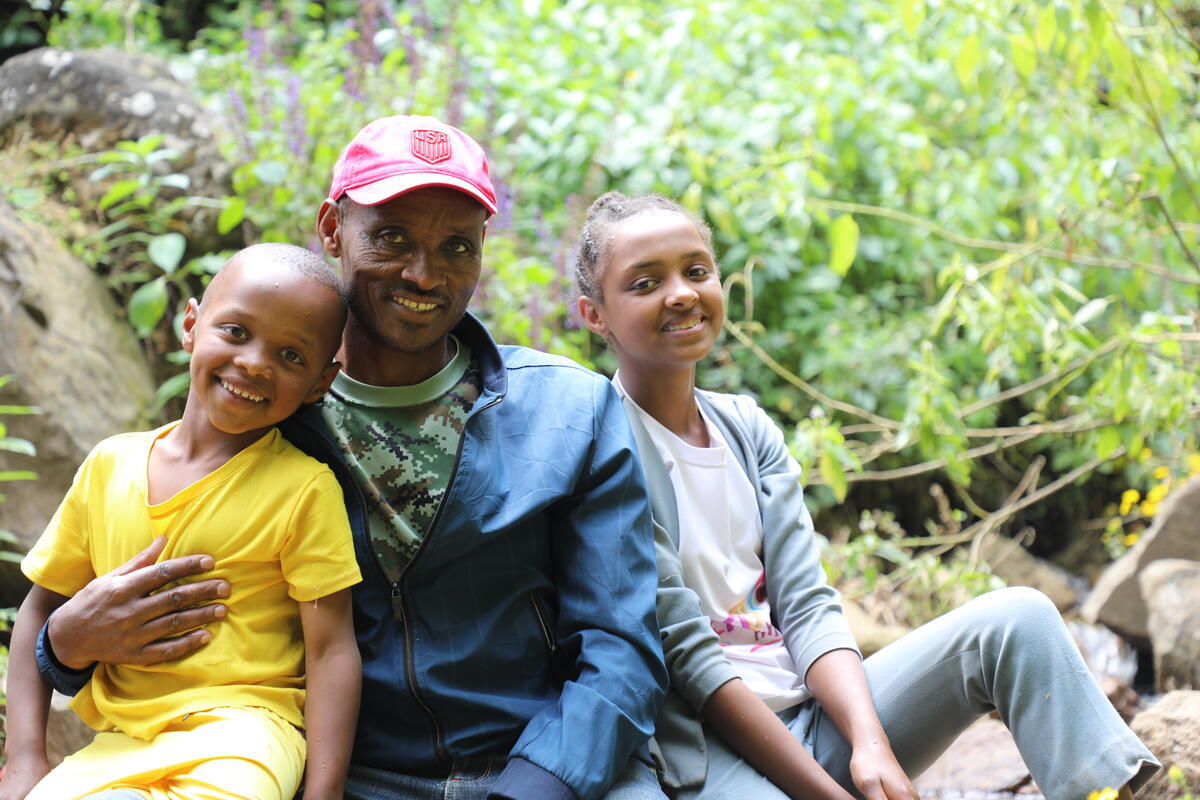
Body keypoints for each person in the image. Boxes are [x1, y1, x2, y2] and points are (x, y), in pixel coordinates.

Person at [31, 116, 668, 800]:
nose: (424, 274)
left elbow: (622, 642)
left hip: (555, 768)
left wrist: (545, 780)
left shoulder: (569, 412)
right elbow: (194, 628)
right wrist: (59, 649)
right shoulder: (265, 416)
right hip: (356, 777)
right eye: (391, 237)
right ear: (333, 230)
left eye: (456, 246)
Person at [573, 191, 1161, 800]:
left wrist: (869, 742)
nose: (682, 293)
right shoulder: (604, 450)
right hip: (708, 749)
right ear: (596, 314)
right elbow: (690, 661)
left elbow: (805, 605)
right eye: (645, 283)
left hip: (812, 712)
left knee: (1019, 619)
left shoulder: (745, 430)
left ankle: (1106, 789)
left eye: (697, 271)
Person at [1, 243, 363, 800]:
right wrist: (24, 756)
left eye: (292, 356)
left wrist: (324, 792)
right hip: (117, 742)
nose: (255, 362)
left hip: (243, 738)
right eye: (237, 331)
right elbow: (40, 610)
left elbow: (331, 651)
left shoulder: (303, 489)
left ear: (320, 383)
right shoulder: (109, 465)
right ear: (191, 324)